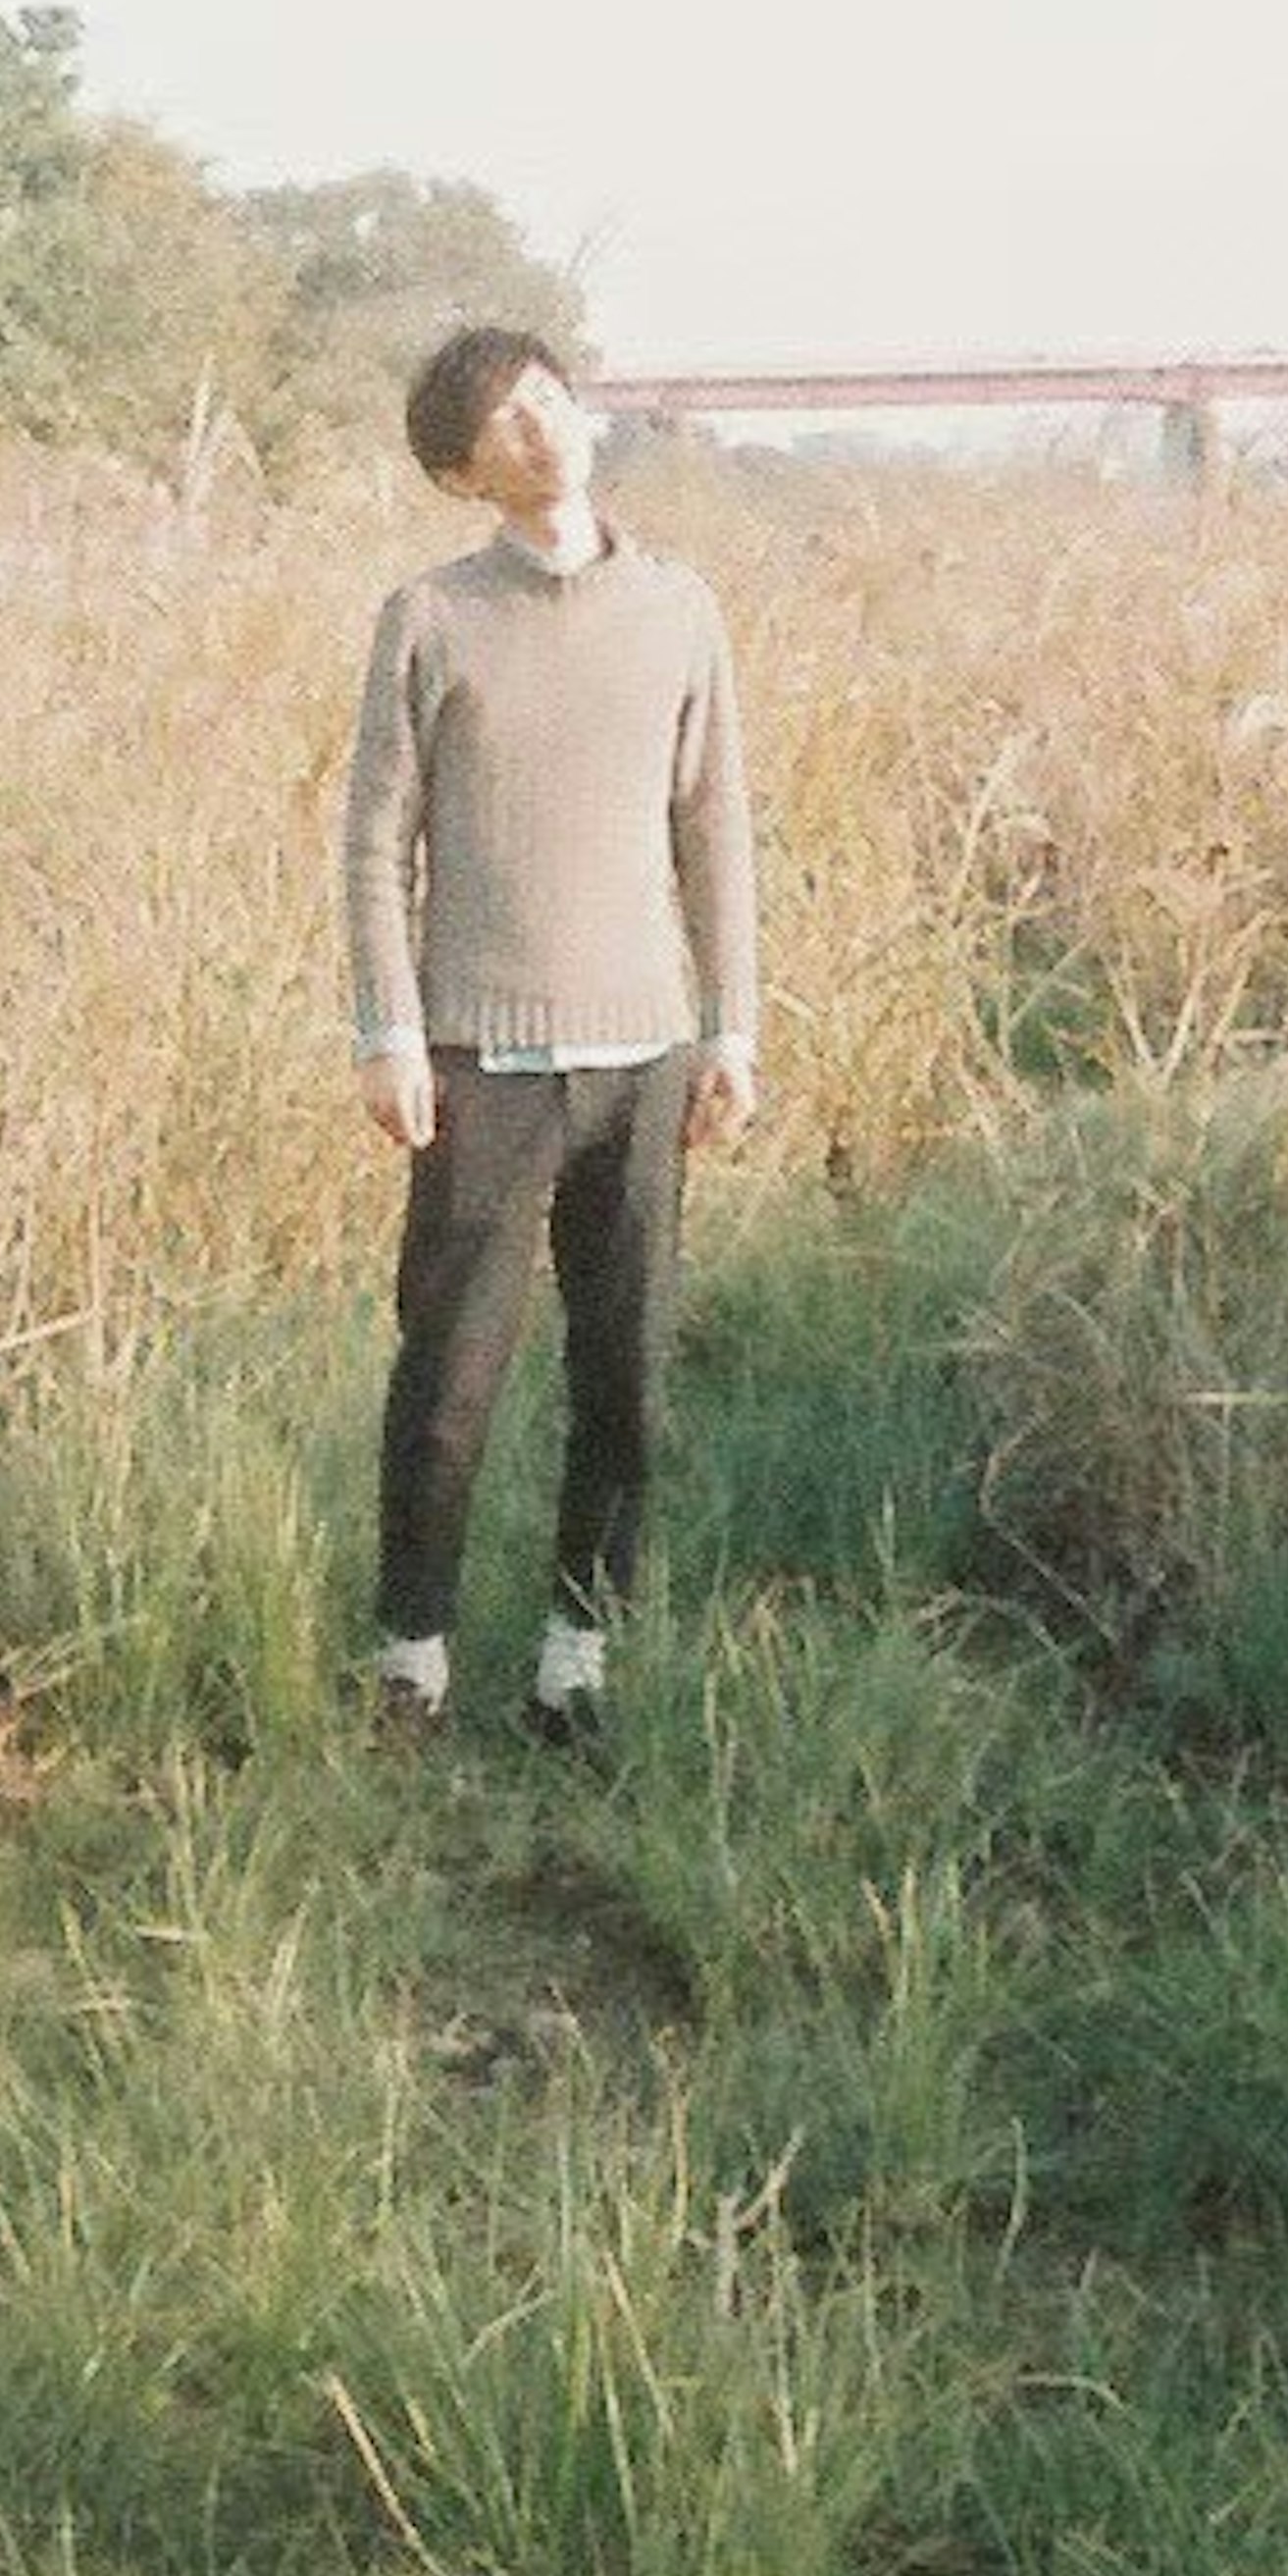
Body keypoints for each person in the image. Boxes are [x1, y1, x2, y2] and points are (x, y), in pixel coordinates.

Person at [340, 324, 759, 1754]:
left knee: (624, 1373)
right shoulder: (431, 616)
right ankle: (414, 1652)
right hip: (477, 1061)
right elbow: (376, 834)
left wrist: (732, 1027)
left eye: (545, 401)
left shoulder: (680, 607)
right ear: (465, 473)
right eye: (500, 425)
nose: (538, 432)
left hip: (643, 1057)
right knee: (450, 1380)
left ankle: (577, 1656)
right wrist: (390, 1028)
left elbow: (715, 829)